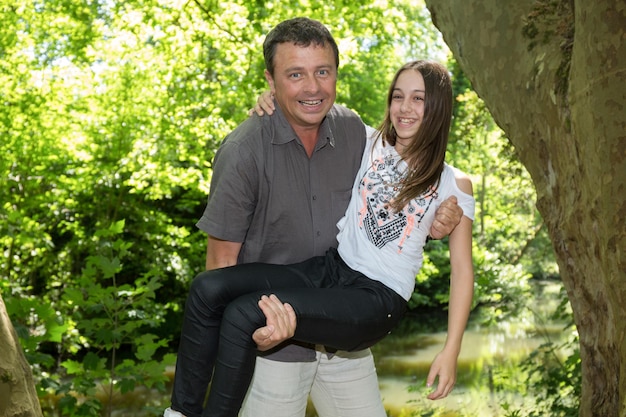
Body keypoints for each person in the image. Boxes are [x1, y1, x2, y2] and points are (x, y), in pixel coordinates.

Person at [165, 17, 463, 417]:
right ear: (271, 81)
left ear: (336, 74)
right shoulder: (246, 149)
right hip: (281, 345)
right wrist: (262, 338)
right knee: (210, 291)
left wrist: (439, 225)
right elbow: (221, 261)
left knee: (243, 310)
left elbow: (400, 208)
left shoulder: (355, 133)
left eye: (322, 71)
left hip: (351, 329)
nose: (312, 87)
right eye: (295, 74)